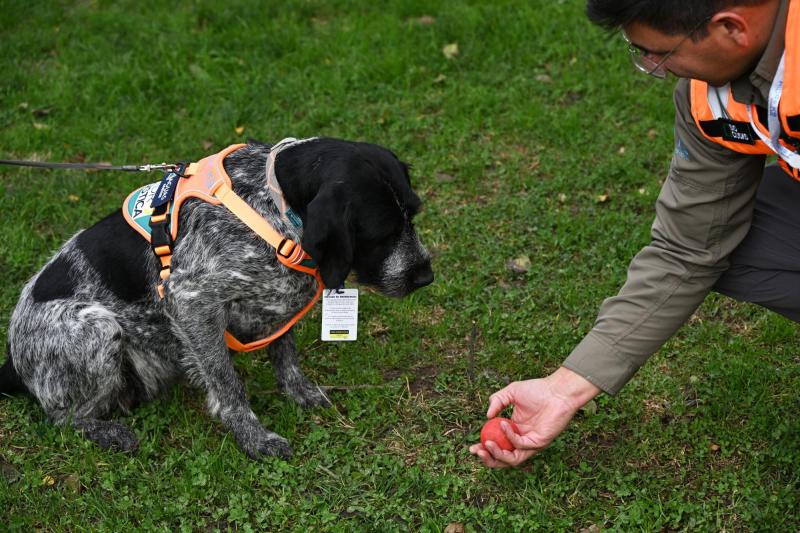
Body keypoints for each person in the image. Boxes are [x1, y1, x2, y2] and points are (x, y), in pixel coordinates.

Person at [470, 0, 800, 468]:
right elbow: (688, 246)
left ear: (731, 28)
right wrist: (565, 386)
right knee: (738, 240)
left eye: (658, 54)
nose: (654, 68)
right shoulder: (710, 96)